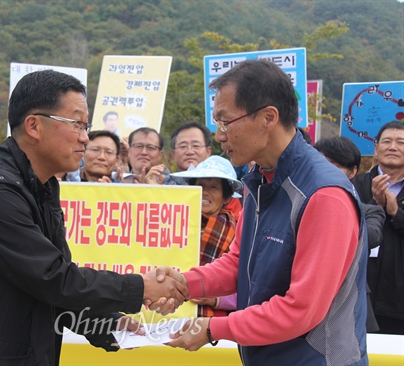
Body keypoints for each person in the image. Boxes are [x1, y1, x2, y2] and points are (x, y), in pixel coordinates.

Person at [0, 69, 187, 366]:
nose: (85, 137)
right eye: (77, 124)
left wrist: (106, 324)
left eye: (85, 126)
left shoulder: (41, 188)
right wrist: (140, 287)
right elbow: (51, 278)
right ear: (34, 126)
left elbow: (44, 287)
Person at [151, 59, 368, 365]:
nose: (219, 135)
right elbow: (240, 264)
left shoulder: (323, 195)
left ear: (268, 117)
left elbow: (301, 309)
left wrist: (214, 328)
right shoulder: (260, 181)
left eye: (225, 121)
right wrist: (184, 284)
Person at [314, 135, 385, 332]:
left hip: (352, 304)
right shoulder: (297, 208)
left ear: (353, 171)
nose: (325, 171)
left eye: (335, 166)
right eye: (320, 163)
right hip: (309, 302)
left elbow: (372, 236)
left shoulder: (369, 211)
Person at [171, 155, 242, 317]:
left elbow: (247, 286)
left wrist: (215, 299)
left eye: (214, 187)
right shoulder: (175, 224)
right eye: (200, 185)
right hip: (169, 312)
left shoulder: (238, 233)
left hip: (213, 325)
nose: (205, 192)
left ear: (226, 197)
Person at [352, 120, 404, 335]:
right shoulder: (355, 185)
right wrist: (375, 205)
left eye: (401, 142)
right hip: (361, 292)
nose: (393, 147)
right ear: (376, 148)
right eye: (387, 141)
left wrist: (395, 212)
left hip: (399, 296)